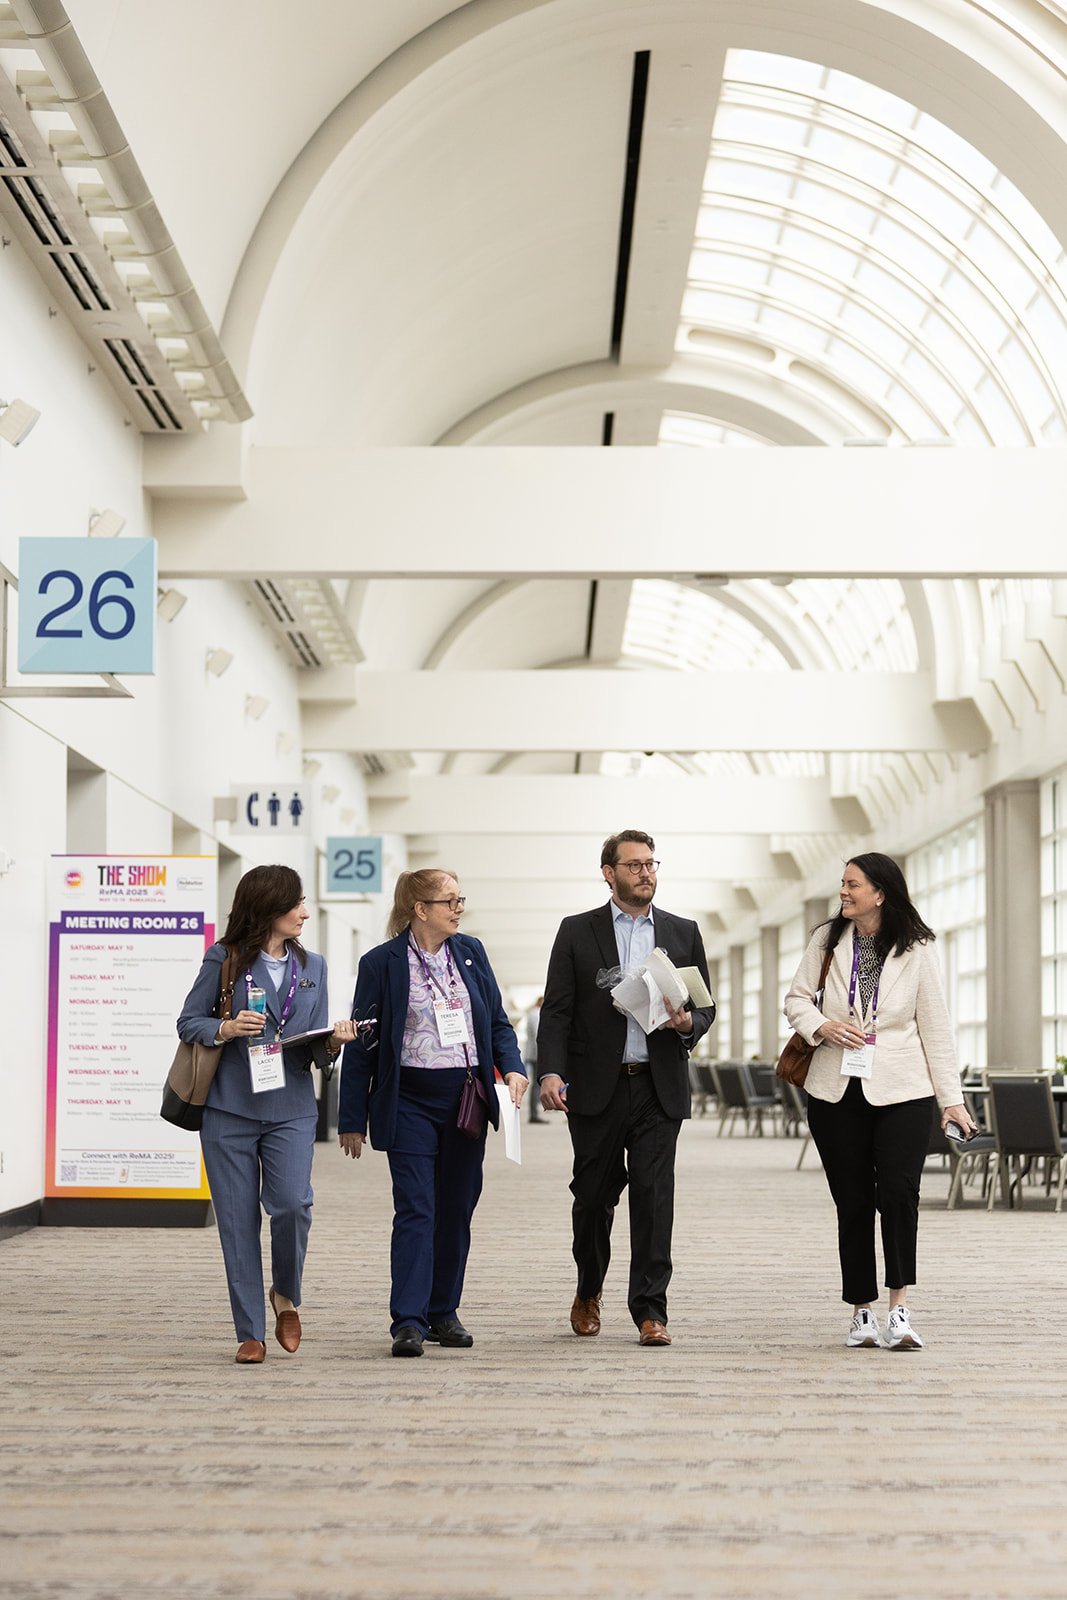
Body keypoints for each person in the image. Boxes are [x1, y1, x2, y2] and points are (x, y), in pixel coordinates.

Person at [784, 852, 977, 1352]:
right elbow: (796, 999)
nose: (843, 892)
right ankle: (860, 1312)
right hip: (835, 1088)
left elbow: (936, 1028)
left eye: (852, 884)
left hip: (903, 1090)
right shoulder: (826, 939)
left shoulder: (918, 949)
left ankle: (899, 1309)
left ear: (880, 892)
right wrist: (821, 1025)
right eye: (842, 884)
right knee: (852, 1201)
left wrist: (951, 1100)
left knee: (898, 1196)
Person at [338, 869, 527, 1356]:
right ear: (419, 909)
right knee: (417, 1207)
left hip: (465, 1098)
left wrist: (512, 1068)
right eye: (449, 901)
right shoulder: (381, 962)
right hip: (408, 1101)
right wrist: (352, 1118)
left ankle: (444, 1311)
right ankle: (408, 1319)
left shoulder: (471, 952)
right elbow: (362, 1042)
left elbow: (498, 1024)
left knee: (456, 1208)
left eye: (460, 899)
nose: (458, 908)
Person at [537, 830, 715, 1347]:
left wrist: (687, 1024)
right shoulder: (577, 931)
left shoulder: (683, 931)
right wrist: (550, 1071)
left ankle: (650, 1310)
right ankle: (588, 1288)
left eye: (651, 864)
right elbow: (558, 1011)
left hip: (658, 1088)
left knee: (655, 1198)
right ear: (609, 872)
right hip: (597, 1088)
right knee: (593, 1197)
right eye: (634, 865)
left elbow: (705, 1006)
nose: (646, 873)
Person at [177, 864, 357, 1364]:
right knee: (237, 1221)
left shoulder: (314, 966)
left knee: (293, 1204)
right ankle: (249, 1331)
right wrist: (226, 1028)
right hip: (229, 1107)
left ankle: (285, 1293)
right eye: (295, 903)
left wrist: (335, 1045)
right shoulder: (226, 959)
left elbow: (315, 1050)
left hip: (292, 1107)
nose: (304, 912)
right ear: (267, 908)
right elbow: (188, 1021)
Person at [524, 995, 544, 1123]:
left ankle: (534, 1113)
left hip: (533, 1053)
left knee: (536, 1085)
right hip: (537, 1054)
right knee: (536, 1085)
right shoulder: (536, 1015)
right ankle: (533, 1114)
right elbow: (540, 1035)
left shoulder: (532, 1014)